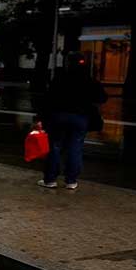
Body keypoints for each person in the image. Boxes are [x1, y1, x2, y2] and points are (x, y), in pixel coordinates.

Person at [35, 52, 107, 190]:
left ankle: (50, 179)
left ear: (68, 63)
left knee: (54, 146)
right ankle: (71, 180)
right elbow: (102, 98)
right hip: (80, 117)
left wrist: (40, 118)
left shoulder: (60, 78)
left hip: (58, 116)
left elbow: (48, 99)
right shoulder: (89, 79)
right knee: (75, 148)